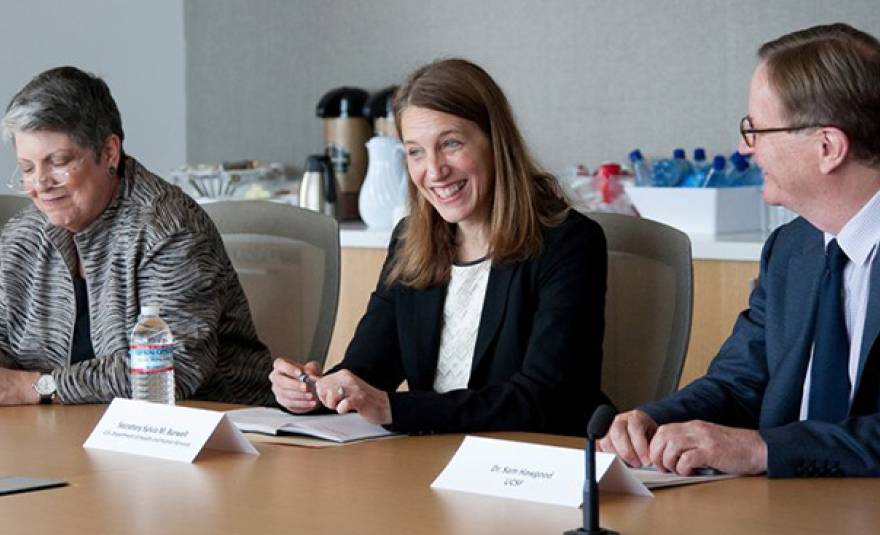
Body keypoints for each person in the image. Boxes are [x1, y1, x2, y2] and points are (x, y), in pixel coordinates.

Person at [599, 23, 880, 477]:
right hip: (777, 516)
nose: (744, 148)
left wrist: (762, 450)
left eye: (756, 130)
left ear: (828, 147)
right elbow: (738, 382)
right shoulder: (791, 249)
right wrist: (655, 420)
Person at [270, 58, 609, 436]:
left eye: (450, 144)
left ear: (496, 142)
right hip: (432, 462)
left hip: (532, 465)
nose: (433, 171)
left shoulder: (569, 243)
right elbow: (368, 370)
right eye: (415, 152)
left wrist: (391, 407)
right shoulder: (410, 241)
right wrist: (315, 391)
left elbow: (544, 398)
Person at [0, 66, 273, 405]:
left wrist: (33, 388)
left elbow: (171, 371)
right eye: (27, 168)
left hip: (215, 429)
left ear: (110, 152)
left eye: (58, 161)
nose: (40, 183)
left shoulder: (169, 229)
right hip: (74, 430)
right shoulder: (22, 237)